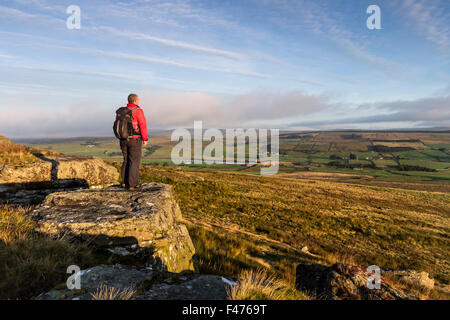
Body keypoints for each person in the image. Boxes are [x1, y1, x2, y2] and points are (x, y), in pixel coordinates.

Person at [120, 93, 148, 190]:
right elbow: (142, 125)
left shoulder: (122, 111)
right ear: (135, 101)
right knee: (134, 161)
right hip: (134, 139)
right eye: (138, 99)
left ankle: (124, 182)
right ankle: (132, 184)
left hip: (123, 139)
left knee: (126, 160)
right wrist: (145, 139)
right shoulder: (138, 110)